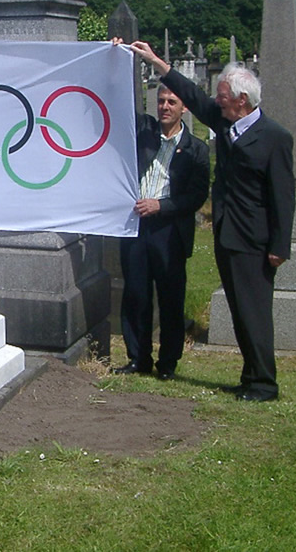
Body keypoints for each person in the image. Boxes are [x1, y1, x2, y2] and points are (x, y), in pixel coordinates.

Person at [129, 40, 295, 402]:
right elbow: (193, 93)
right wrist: (157, 61)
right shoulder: (226, 123)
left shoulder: (274, 138)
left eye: (222, 96)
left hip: (255, 241)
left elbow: (283, 197)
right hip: (228, 236)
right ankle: (250, 377)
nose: (216, 101)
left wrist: (279, 247)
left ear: (242, 100)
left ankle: (264, 383)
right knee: (240, 312)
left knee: (254, 313)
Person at [114, 81, 210, 380]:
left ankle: (168, 363)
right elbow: (120, 100)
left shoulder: (197, 150)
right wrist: (120, 57)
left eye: (172, 102)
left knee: (170, 299)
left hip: (169, 232)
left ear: (184, 108)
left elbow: (196, 196)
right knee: (136, 295)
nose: (165, 107)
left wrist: (162, 206)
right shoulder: (143, 132)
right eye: (161, 101)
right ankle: (138, 358)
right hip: (136, 228)